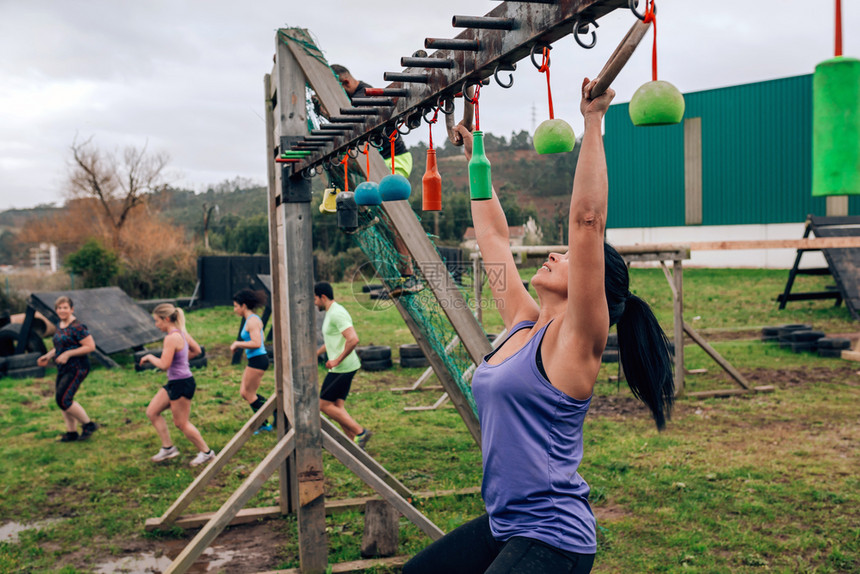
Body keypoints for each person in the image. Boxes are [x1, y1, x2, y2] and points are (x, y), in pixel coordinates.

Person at [402, 78, 675, 574]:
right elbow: (491, 235)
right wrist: (475, 156)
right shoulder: (523, 323)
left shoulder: (576, 345)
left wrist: (593, 122)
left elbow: (587, 220)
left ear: (592, 287)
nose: (555, 252)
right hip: (506, 523)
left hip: (552, 534)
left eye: (568, 257)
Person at [331, 64, 423, 297]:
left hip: (394, 160)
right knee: (336, 161)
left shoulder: (364, 97)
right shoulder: (356, 97)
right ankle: (364, 210)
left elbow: (353, 121)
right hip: (375, 160)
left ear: (345, 84)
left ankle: (410, 275)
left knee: (392, 218)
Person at [141, 303, 216, 467]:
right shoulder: (181, 333)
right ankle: (168, 448)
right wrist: (181, 361)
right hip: (176, 381)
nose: (156, 325)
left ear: (166, 319)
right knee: (152, 411)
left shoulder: (171, 338)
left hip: (181, 383)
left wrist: (149, 357)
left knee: (181, 423)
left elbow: (164, 364)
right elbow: (197, 351)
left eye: (157, 321)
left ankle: (207, 453)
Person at [313, 281, 372, 449]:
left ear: (323, 297)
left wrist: (336, 360)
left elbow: (353, 339)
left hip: (342, 367)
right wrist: (316, 353)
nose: (314, 303)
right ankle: (352, 442)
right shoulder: (331, 312)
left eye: (315, 299)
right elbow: (334, 339)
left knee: (323, 404)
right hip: (343, 366)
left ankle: (361, 432)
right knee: (337, 406)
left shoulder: (337, 313)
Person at [37, 296, 98, 442]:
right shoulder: (60, 324)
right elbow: (60, 346)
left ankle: (89, 425)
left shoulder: (78, 326)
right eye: (59, 308)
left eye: (65, 307)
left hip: (78, 367)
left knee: (64, 399)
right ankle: (71, 432)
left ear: (72, 309)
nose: (62, 310)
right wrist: (48, 355)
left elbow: (90, 347)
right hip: (64, 367)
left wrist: (68, 354)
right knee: (62, 400)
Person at [229, 289, 272, 433]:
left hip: (258, 360)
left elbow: (257, 343)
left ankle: (264, 423)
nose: (235, 309)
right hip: (255, 360)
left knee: (249, 394)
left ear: (244, 305)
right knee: (244, 393)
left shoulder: (252, 321)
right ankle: (272, 409)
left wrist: (238, 343)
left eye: (236, 306)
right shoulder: (251, 319)